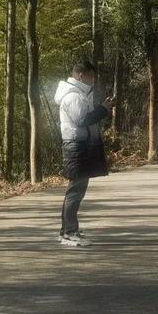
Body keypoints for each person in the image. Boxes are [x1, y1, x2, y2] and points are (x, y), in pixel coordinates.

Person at [53, 57, 112, 249]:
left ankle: (69, 230)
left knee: (76, 190)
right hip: (76, 147)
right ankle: (69, 233)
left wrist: (102, 108)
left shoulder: (78, 94)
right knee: (75, 191)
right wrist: (103, 109)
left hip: (80, 146)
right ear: (80, 75)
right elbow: (82, 120)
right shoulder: (73, 96)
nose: (93, 80)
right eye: (91, 76)